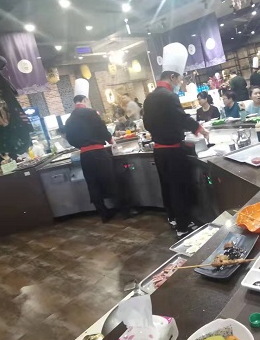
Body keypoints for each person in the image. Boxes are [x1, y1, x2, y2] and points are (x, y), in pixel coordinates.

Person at [143, 42, 209, 238]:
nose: (180, 82)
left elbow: (147, 124)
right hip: (172, 151)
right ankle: (183, 227)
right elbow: (181, 117)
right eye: (179, 78)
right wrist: (199, 129)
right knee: (179, 188)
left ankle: (172, 218)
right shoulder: (169, 96)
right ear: (172, 77)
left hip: (159, 151)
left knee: (167, 186)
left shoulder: (149, 97)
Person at [65, 92, 131, 222]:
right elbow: (102, 129)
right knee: (112, 181)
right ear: (85, 100)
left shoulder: (70, 120)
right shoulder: (91, 113)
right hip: (99, 153)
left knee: (93, 185)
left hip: (85, 155)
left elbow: (70, 139)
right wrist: (111, 141)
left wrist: (81, 145)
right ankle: (125, 211)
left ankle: (104, 215)